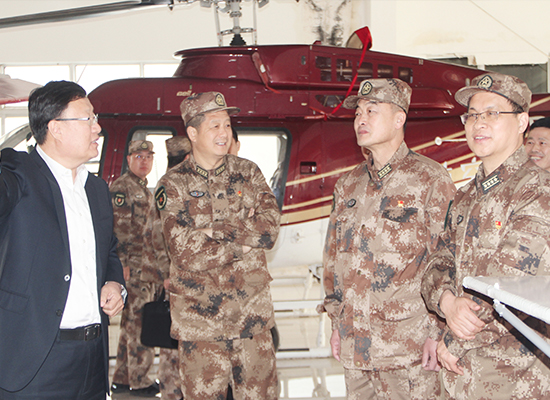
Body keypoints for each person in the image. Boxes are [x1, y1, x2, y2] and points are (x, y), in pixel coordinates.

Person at [319, 78, 456, 399]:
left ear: (399, 119)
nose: (361, 119)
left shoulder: (429, 179)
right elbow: (333, 260)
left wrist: (438, 332)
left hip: (409, 349)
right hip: (357, 348)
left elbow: (447, 258)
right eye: (357, 113)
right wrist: (337, 323)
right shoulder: (348, 184)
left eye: (372, 110)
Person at [421, 72, 550, 399]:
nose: (479, 123)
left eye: (492, 113)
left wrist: (453, 341)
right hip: (460, 379)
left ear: (522, 122)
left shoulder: (538, 190)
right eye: (472, 115)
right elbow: (437, 262)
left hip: (514, 377)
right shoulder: (466, 196)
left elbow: (514, 279)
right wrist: (447, 302)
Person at [0, 80, 125, 400]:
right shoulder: (18, 174)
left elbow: (108, 250)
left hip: (91, 360)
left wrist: (114, 282)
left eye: (95, 118)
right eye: (88, 119)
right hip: (35, 361)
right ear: (55, 128)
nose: (97, 128)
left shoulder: (95, 189)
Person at [154, 91, 281, 399]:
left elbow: (269, 229)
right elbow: (184, 252)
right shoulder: (173, 184)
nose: (224, 132)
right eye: (214, 126)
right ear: (192, 133)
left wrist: (212, 232)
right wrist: (242, 243)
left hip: (252, 319)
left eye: (226, 124)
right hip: (200, 324)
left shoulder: (248, 173)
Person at [141, 135, 192, 400]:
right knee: (172, 343)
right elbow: (160, 233)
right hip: (172, 277)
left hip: (177, 274)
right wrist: (168, 274)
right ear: (188, 158)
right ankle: (172, 392)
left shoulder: (173, 182)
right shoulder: (171, 185)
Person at [110, 140, 160, 397]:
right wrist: (122, 264)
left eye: (148, 157)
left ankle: (122, 378)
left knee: (130, 323)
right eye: (139, 156)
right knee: (140, 323)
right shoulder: (123, 187)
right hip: (133, 268)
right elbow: (119, 229)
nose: (144, 161)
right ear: (128, 159)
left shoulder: (143, 188)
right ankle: (141, 381)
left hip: (144, 267)